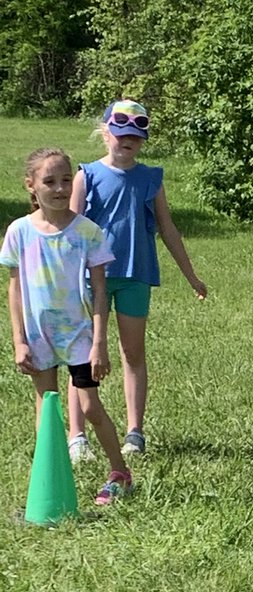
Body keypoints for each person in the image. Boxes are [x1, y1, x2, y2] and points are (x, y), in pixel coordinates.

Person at [66, 99, 207, 463]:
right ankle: (77, 435)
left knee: (133, 354)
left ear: (142, 140)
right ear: (105, 133)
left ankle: (135, 432)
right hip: (89, 278)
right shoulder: (87, 175)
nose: (127, 141)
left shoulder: (151, 178)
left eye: (135, 137)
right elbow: (70, 230)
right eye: (120, 133)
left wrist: (190, 275)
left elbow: (168, 229)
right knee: (83, 356)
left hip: (136, 275)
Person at [1, 148, 133, 504]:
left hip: (78, 336)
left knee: (89, 406)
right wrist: (19, 340)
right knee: (47, 408)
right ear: (31, 186)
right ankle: (51, 478)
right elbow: (15, 287)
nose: (59, 189)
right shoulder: (19, 232)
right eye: (49, 181)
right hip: (38, 336)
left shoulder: (87, 232)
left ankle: (120, 472)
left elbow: (101, 290)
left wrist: (99, 342)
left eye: (64, 180)